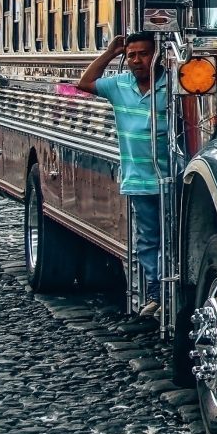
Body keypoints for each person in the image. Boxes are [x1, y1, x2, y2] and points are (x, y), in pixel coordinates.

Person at [78, 31, 168, 317]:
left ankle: (171, 292)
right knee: (149, 238)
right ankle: (156, 293)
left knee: (172, 237)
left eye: (144, 53)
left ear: (157, 55)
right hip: (138, 179)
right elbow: (85, 82)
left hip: (171, 178)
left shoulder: (173, 85)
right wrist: (110, 53)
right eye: (132, 55)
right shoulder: (120, 85)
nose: (138, 60)